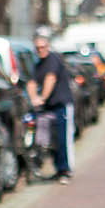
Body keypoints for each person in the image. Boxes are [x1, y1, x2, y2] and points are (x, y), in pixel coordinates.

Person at [27, 28, 75, 183]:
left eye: (43, 47)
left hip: (61, 105)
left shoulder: (53, 59)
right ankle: (57, 168)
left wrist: (42, 98)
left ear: (48, 45)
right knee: (50, 139)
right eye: (37, 48)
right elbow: (32, 82)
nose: (40, 50)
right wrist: (34, 97)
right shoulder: (38, 64)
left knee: (62, 139)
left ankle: (65, 170)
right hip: (48, 107)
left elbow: (50, 79)